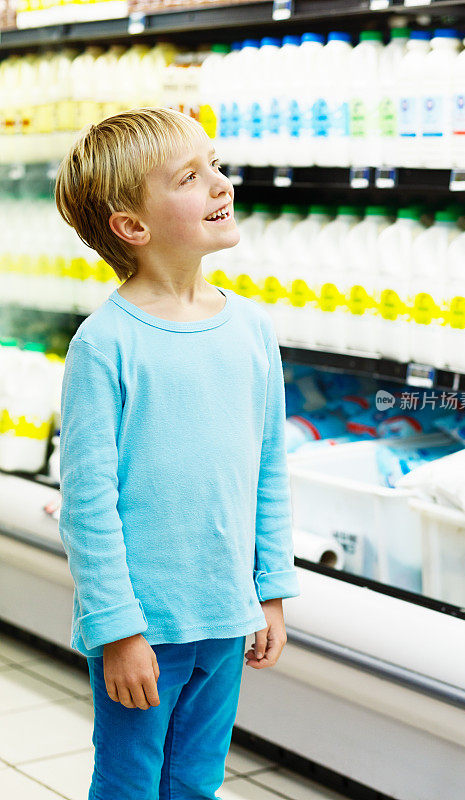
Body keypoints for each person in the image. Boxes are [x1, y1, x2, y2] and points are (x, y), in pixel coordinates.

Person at [55, 107, 300, 800]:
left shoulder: (252, 329)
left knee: (196, 781)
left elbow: (267, 469)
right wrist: (118, 631)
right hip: (145, 626)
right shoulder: (106, 345)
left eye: (215, 165)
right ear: (132, 226)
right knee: (130, 782)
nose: (221, 184)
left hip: (227, 612)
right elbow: (88, 503)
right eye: (192, 176)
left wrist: (270, 587)